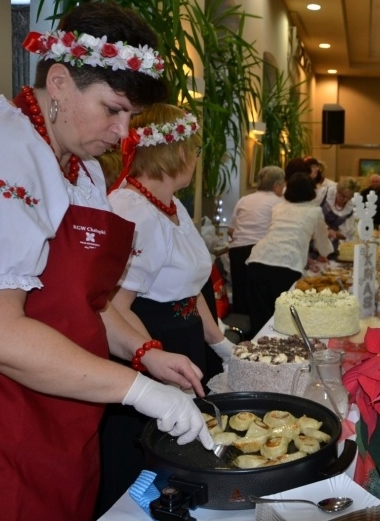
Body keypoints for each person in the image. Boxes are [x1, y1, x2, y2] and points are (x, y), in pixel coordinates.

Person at [0, 2, 212, 520]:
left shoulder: (85, 173)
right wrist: (139, 390)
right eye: (113, 109)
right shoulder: (0, 145)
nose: (125, 134)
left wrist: (144, 351)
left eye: (133, 117)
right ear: (58, 81)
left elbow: (91, 305)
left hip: (71, 418)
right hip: (1, 420)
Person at [101, 103, 236, 512]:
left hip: (184, 338)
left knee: (186, 455)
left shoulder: (171, 204)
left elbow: (192, 287)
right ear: (174, 152)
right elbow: (114, 305)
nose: (197, 158)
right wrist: (150, 360)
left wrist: (222, 344)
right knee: (147, 466)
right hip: (147, 344)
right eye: (194, 149)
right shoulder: (131, 209)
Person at [245, 172, 333, 337]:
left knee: (260, 319)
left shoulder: (278, 208)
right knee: (285, 320)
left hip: (258, 260)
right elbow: (323, 246)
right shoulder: (314, 211)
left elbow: (281, 237)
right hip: (287, 266)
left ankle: (256, 357)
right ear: (311, 191)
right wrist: (324, 254)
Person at [227, 165, 285, 315]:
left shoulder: (244, 200)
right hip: (260, 253)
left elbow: (231, 230)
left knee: (240, 295)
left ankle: (240, 333)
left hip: (237, 252)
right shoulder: (279, 203)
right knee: (259, 300)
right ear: (276, 185)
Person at [321, 177, 361, 250]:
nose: (341, 198)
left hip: (332, 244)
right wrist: (324, 230)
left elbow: (345, 234)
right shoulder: (325, 194)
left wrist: (334, 233)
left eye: (346, 197)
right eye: (340, 194)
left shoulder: (351, 209)